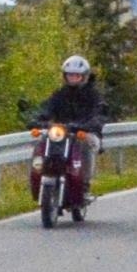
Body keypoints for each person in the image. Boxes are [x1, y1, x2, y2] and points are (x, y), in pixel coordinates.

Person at [34, 55, 106, 185]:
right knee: (42, 139)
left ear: (84, 76)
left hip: (84, 131)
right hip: (62, 132)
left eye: (76, 76)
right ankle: (40, 173)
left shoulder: (93, 96)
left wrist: (92, 123)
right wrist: (38, 119)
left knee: (85, 142)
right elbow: (47, 108)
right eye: (70, 75)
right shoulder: (60, 94)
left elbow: (100, 113)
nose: (73, 78)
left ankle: (85, 181)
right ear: (65, 76)